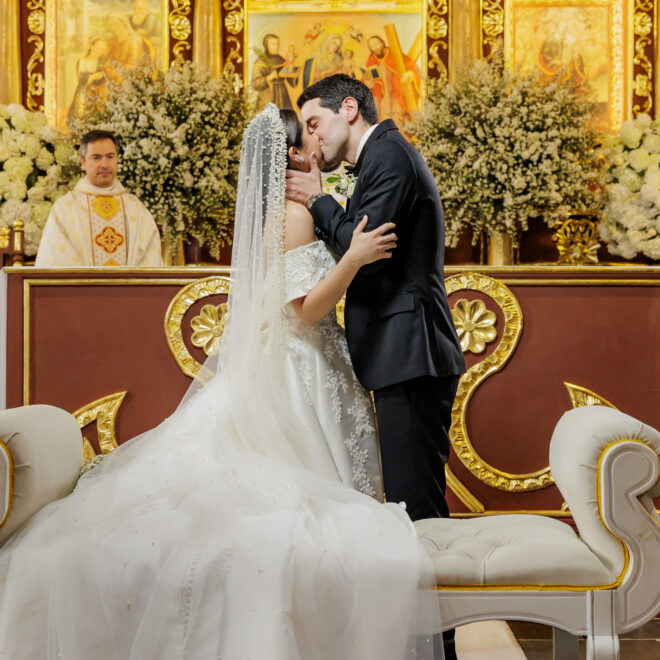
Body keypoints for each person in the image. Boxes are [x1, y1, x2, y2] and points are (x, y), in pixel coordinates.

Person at [0, 105, 442, 659]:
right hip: (302, 362)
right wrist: (352, 258)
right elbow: (304, 311)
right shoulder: (296, 215)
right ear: (290, 155)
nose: (315, 143)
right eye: (305, 137)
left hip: (284, 358)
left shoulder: (277, 214)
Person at [285, 74, 465, 659]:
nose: (313, 137)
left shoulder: (387, 154)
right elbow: (357, 246)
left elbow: (369, 253)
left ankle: (439, 647)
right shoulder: (381, 157)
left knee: (418, 513)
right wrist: (325, 200)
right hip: (400, 353)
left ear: (348, 109)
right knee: (414, 510)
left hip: (410, 352)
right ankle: (432, 644)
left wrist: (317, 199)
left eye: (315, 122)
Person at [35, 130, 163, 267]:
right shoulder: (64, 209)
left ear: (117, 160)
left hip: (130, 288)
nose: (104, 164)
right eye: (96, 157)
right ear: (83, 163)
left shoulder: (135, 209)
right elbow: (55, 262)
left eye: (110, 157)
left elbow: (150, 258)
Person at [363, 35, 420, 119]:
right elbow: (366, 79)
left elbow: (411, 65)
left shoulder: (394, 54)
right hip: (381, 98)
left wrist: (410, 73)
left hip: (396, 94)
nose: (375, 47)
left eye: (376, 43)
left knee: (398, 117)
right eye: (372, 46)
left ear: (382, 43)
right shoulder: (371, 61)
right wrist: (368, 83)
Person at [66, 37, 108, 120]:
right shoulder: (82, 61)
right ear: (91, 46)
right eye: (98, 47)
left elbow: (105, 78)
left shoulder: (102, 63)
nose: (100, 50)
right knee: (80, 116)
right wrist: (92, 77)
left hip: (97, 94)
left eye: (102, 48)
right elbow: (80, 79)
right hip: (83, 92)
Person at [252, 34, 293, 111]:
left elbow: (290, 81)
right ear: (266, 45)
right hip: (268, 97)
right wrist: (269, 77)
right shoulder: (260, 61)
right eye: (273, 44)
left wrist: (292, 69)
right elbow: (255, 84)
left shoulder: (281, 60)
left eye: (278, 44)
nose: (276, 47)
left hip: (283, 97)